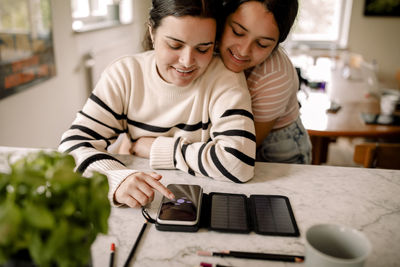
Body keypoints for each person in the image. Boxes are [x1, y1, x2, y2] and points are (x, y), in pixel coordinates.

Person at [58, 0, 256, 208]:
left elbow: (238, 163)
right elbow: (72, 146)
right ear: (152, 33)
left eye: (203, 49)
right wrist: (117, 178)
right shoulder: (124, 74)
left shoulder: (224, 78)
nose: (187, 61)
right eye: (175, 45)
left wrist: (157, 148)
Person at [218, 0, 312, 164]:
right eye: (238, 32)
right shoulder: (206, 41)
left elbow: (242, 151)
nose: (243, 50)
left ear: (276, 45)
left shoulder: (276, 74)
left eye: (262, 44)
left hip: (279, 147)